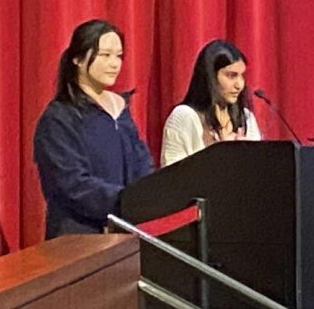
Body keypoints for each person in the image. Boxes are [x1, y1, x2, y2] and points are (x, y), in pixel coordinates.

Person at [33, 19, 154, 238]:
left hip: (126, 234)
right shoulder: (59, 118)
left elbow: (142, 164)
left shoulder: (121, 110)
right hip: (78, 238)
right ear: (78, 59)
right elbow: (72, 184)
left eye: (119, 56)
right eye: (105, 55)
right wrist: (124, 201)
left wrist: (150, 196)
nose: (115, 63)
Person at [161, 39, 261, 166]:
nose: (239, 85)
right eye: (231, 76)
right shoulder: (184, 117)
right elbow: (171, 178)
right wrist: (219, 155)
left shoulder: (246, 118)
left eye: (242, 76)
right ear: (211, 77)